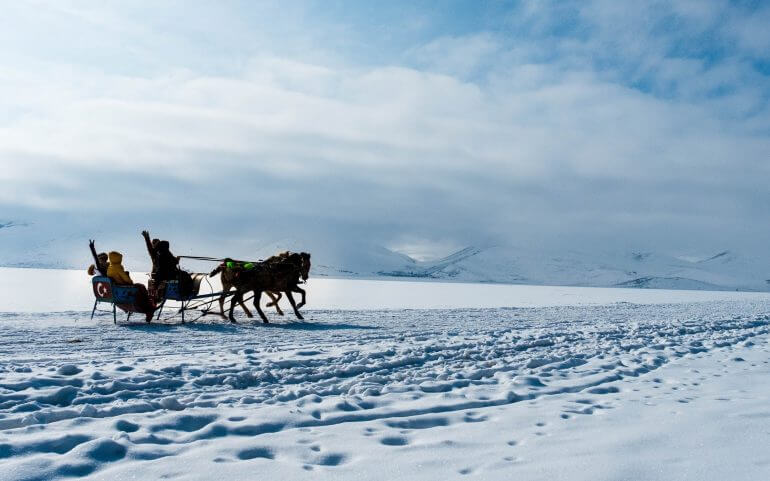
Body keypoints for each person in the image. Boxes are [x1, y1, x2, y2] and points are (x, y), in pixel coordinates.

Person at [106, 251, 155, 321]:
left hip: (117, 289)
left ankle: (146, 303)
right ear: (117, 258)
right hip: (123, 287)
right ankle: (147, 305)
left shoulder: (110, 267)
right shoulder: (117, 267)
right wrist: (131, 282)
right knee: (141, 287)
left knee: (139, 287)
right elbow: (126, 279)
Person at [142, 230, 194, 296]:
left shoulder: (155, 254)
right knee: (185, 275)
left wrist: (147, 238)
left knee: (183, 274)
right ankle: (187, 292)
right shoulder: (165, 253)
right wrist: (177, 259)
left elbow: (150, 248)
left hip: (157, 275)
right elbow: (174, 262)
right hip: (167, 275)